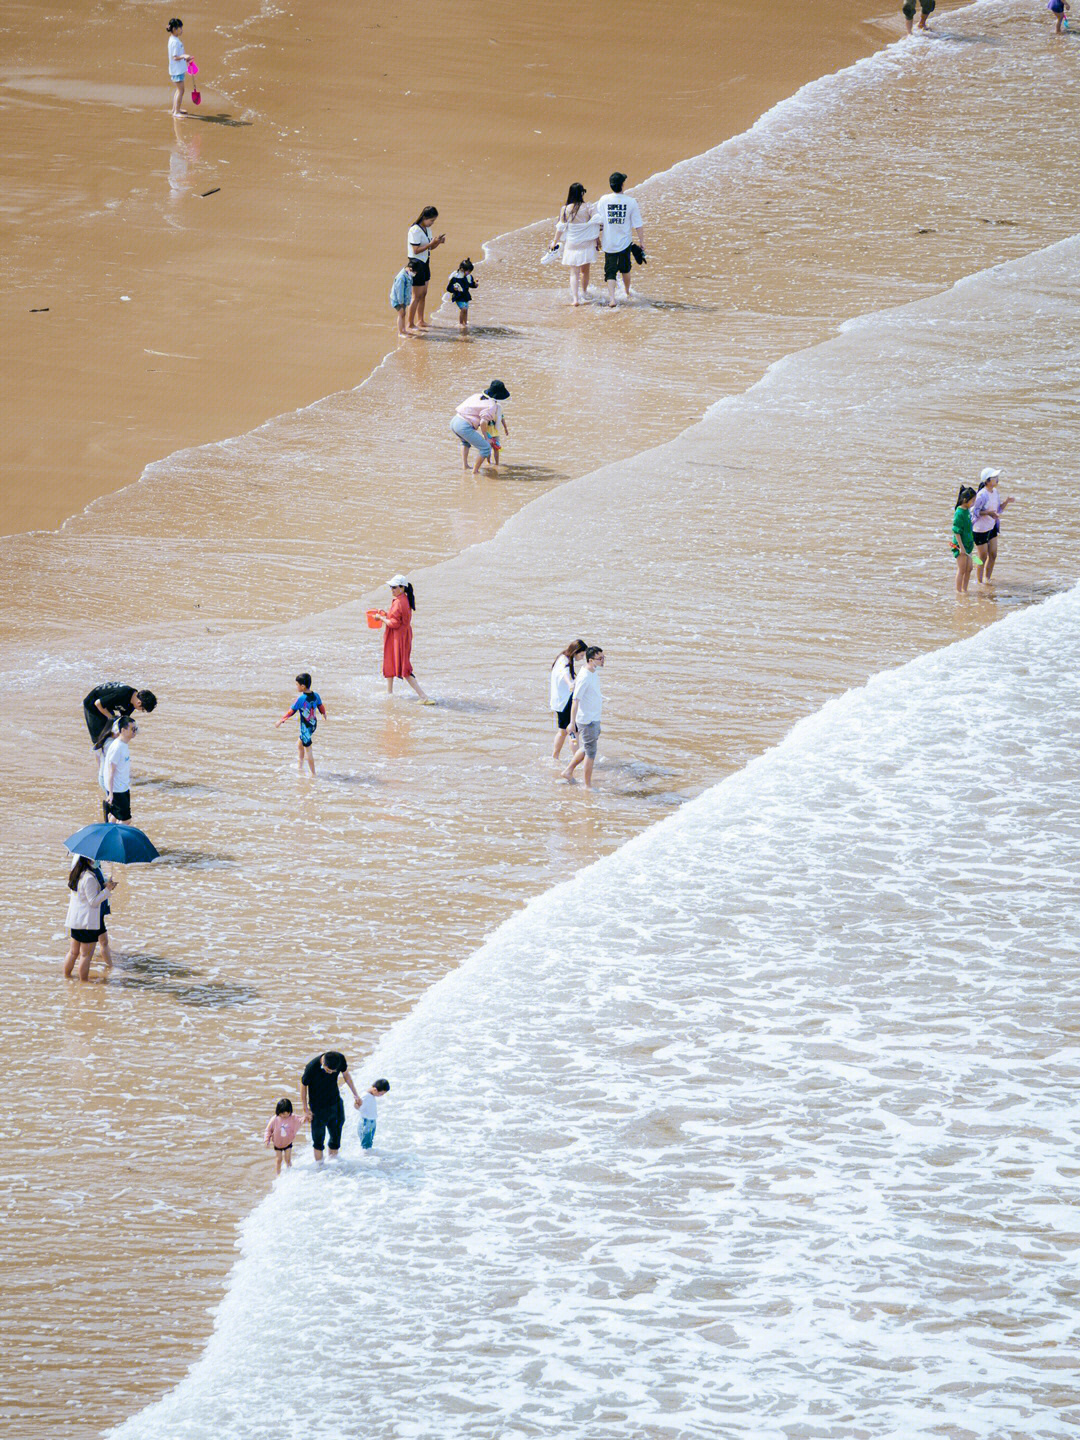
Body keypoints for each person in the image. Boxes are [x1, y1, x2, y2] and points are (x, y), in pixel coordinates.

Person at [374, 576, 433, 703]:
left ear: (402, 587)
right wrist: (385, 614)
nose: (392, 589)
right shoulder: (403, 599)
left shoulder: (399, 602)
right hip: (401, 635)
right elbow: (397, 618)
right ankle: (389, 691)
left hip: (398, 637)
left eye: (394, 587)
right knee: (390, 660)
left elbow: (394, 623)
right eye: (391, 587)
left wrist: (381, 618)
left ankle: (424, 697)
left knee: (404, 667)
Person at [592, 173, 645, 306]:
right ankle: (627, 293)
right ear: (622, 185)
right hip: (625, 242)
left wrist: (595, 237)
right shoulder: (631, 201)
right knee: (625, 269)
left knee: (610, 271)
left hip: (608, 242)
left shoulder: (604, 200)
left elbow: (599, 220)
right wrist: (642, 241)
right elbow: (638, 223)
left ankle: (612, 299)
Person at [300, 1051, 363, 1163]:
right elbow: (303, 1085)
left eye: (333, 1072)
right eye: (328, 1070)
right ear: (323, 1063)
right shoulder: (312, 1067)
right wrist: (305, 1110)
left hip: (336, 1103)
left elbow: (346, 1074)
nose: (330, 1073)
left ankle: (333, 1167)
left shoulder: (339, 1059)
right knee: (318, 1141)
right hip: (318, 1108)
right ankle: (320, 1168)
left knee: (336, 1137)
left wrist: (355, 1094)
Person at [64, 856, 116, 981]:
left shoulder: (77, 874)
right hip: (87, 922)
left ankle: (67, 977)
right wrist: (108, 890)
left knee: (73, 952)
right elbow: (93, 901)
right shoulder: (89, 877)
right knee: (85, 955)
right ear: (90, 860)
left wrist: (103, 886)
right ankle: (83, 983)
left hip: (75, 920)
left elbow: (85, 895)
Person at [562, 646, 605, 788]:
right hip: (587, 721)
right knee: (591, 754)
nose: (603, 661)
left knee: (587, 748)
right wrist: (571, 723)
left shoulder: (592, 672)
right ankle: (588, 786)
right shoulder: (585, 677)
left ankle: (568, 771)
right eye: (600, 659)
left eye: (604, 657)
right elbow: (575, 700)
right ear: (591, 660)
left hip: (594, 718)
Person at [551, 183, 599, 306]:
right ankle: (584, 292)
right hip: (586, 242)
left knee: (574, 272)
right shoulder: (589, 207)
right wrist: (597, 240)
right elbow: (596, 224)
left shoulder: (565, 209)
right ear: (582, 193)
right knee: (585, 271)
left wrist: (554, 242)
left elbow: (560, 227)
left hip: (572, 242)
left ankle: (575, 299)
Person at [450, 380, 510, 476]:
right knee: (485, 448)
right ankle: (475, 472)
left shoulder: (476, 396)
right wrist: (486, 438)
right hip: (464, 426)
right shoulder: (491, 405)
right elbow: (483, 422)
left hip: (454, 421)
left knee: (465, 442)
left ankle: (465, 466)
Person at [275, 672, 327, 775]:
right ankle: (300, 767)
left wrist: (281, 720)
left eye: (297, 685)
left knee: (308, 750)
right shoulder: (316, 695)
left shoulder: (301, 699)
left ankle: (313, 774)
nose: (296, 687)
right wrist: (323, 713)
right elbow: (320, 706)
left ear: (302, 686)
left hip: (305, 728)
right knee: (299, 744)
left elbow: (291, 711)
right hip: (313, 725)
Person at [971, 467, 1015, 584]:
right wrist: (988, 513)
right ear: (987, 480)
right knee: (982, 558)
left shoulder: (995, 492)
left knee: (993, 555)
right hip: (980, 529)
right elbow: (974, 512)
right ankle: (980, 583)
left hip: (992, 527)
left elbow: (998, 510)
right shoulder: (981, 495)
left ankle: (987, 579)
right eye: (995, 477)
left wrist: (1006, 502)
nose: (997, 479)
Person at [82, 683, 156, 752]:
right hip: (92, 705)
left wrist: (133, 728)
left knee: (111, 732)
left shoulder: (132, 703)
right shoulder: (122, 693)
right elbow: (98, 703)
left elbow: (123, 719)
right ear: (139, 703)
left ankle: (110, 753)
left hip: (106, 706)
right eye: (142, 709)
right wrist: (111, 717)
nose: (140, 710)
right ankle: (101, 760)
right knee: (99, 739)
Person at [406, 206, 446, 330]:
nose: (432, 223)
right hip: (416, 263)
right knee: (416, 296)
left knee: (423, 293)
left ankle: (420, 320)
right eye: (431, 220)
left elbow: (429, 248)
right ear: (424, 217)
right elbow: (415, 250)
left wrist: (437, 243)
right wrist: (431, 243)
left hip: (425, 262)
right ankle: (410, 323)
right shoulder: (415, 230)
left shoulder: (427, 229)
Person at [550, 639, 587, 760]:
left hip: (559, 701)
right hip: (565, 701)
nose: (582, 658)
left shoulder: (562, 657)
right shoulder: (565, 661)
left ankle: (555, 757)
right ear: (575, 652)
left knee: (562, 731)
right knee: (574, 732)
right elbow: (564, 674)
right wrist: (570, 684)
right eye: (581, 655)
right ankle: (577, 760)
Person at [101, 715, 136, 823]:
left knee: (115, 816)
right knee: (126, 820)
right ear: (123, 730)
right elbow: (110, 771)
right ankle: (119, 836)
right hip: (117, 790)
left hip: (123, 787)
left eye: (135, 729)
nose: (135, 731)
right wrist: (111, 794)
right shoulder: (117, 747)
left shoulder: (123, 744)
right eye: (132, 729)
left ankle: (110, 833)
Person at [264, 1098, 306, 1175]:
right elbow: (268, 1130)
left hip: (288, 1143)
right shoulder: (274, 1119)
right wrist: (267, 1140)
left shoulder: (293, 1117)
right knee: (279, 1159)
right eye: (283, 1114)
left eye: (287, 1113)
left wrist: (307, 1118)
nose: (285, 1115)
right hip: (277, 1144)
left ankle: (290, 1173)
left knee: (288, 1159)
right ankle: (278, 1174)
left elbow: (301, 1119)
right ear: (278, 1111)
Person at [167, 19, 194, 117]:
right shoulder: (175, 42)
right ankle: (176, 112)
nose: (182, 30)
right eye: (180, 28)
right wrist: (184, 56)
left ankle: (175, 109)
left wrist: (185, 58)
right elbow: (175, 57)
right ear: (174, 29)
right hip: (177, 70)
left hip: (177, 69)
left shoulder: (174, 39)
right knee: (181, 90)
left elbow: (178, 55)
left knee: (178, 90)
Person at [952, 486, 977, 594]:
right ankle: (959, 592)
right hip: (960, 545)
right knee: (962, 569)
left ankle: (965, 590)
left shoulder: (967, 510)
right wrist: (961, 547)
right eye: (972, 500)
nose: (974, 503)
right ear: (965, 500)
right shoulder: (959, 512)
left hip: (968, 544)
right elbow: (956, 531)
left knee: (969, 568)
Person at [390, 258, 423, 336]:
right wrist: (401, 304)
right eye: (415, 272)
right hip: (398, 300)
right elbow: (399, 292)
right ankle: (400, 332)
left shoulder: (407, 274)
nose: (415, 273)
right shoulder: (401, 277)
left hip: (404, 299)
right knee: (401, 314)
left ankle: (403, 329)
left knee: (403, 314)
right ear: (411, 269)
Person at [357, 1079, 390, 1151]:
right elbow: (358, 1107)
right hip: (366, 1122)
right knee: (366, 1144)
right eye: (381, 1094)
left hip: (371, 1121)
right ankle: (366, 1158)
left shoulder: (370, 1095)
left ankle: (368, 1156)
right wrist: (356, 1103)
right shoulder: (365, 1096)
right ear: (375, 1090)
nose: (381, 1096)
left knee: (369, 1142)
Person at [446, 259, 478, 332]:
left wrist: (475, 284)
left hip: (466, 296)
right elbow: (448, 288)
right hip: (458, 296)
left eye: (470, 271)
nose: (469, 273)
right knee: (463, 309)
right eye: (468, 271)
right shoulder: (455, 277)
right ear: (461, 269)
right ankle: (460, 323)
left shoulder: (468, 276)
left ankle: (465, 323)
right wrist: (454, 288)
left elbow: (471, 284)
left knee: (466, 310)